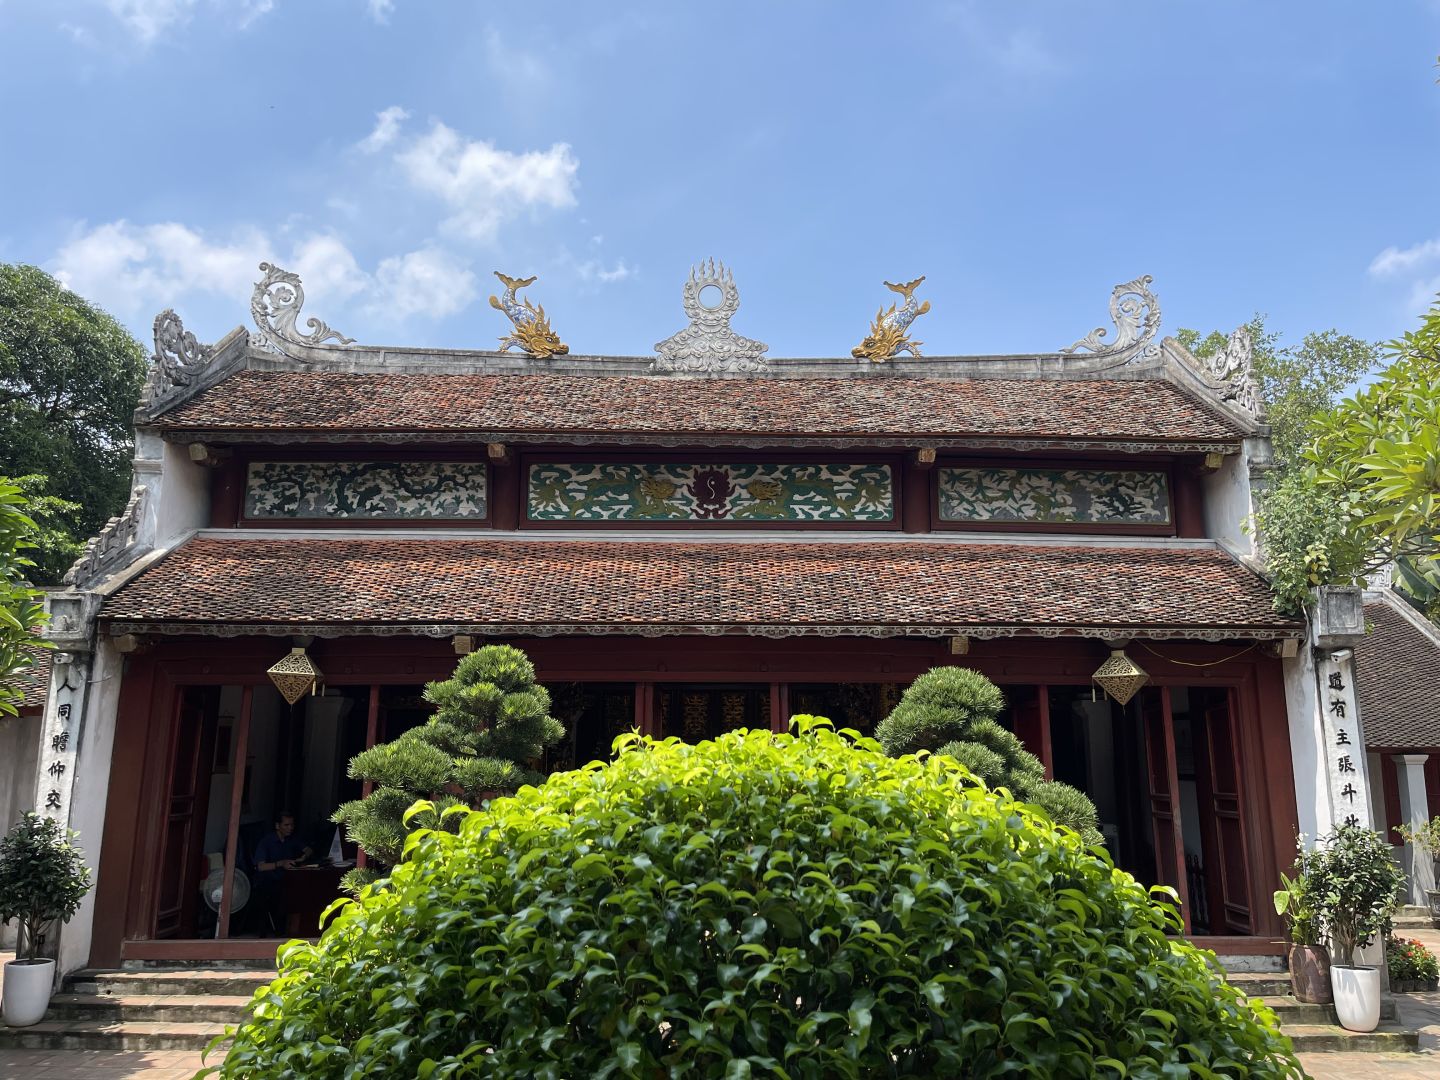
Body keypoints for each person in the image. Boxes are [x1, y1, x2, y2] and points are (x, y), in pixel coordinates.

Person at [251, 811, 313, 934]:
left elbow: (309, 850)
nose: (290, 828)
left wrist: (303, 857)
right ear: (277, 826)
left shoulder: (292, 839)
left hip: (289, 879)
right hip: (270, 881)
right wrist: (280, 864)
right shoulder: (266, 842)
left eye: (292, 825)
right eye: (286, 825)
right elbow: (260, 866)